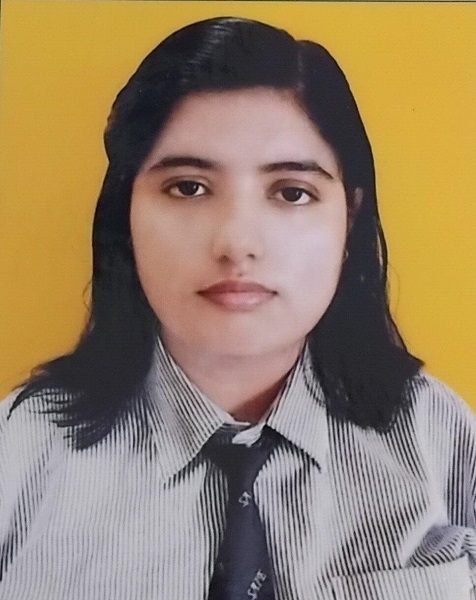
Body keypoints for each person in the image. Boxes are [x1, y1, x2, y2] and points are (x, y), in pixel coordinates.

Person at [0, 16, 474, 600]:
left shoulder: (440, 438)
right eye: (188, 188)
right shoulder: (20, 450)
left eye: (292, 193)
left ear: (349, 219)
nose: (236, 243)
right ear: (126, 211)